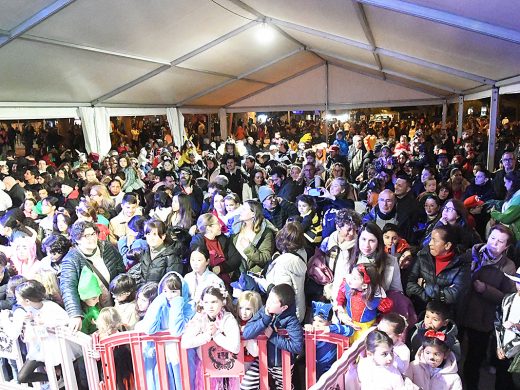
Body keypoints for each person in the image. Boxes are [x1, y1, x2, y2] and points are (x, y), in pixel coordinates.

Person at [460, 224, 516, 389]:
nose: (494, 243)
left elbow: (509, 299)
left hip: (483, 319)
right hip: (461, 312)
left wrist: (486, 289)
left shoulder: (508, 266)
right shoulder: (472, 253)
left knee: (474, 360)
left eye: (500, 242)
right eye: (492, 238)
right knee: (454, 353)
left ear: (506, 246)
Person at [0, 280, 70, 386]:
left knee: (68, 372)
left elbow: (66, 320)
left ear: (27, 300)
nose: (17, 301)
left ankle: (61, 379)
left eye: (19, 298)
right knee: (22, 376)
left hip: (55, 346)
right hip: (39, 348)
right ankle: (55, 378)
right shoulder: (26, 311)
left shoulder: (50, 306)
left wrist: (46, 323)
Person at [60, 221, 125, 331]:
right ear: (77, 239)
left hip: (114, 302)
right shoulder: (71, 259)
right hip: (93, 307)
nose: (92, 238)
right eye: (86, 236)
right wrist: (75, 314)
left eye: (93, 234)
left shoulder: (107, 247)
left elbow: (120, 269)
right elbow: (67, 287)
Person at [137, 272, 194, 390]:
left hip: (182, 357)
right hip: (161, 356)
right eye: (165, 291)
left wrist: (178, 303)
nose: (170, 295)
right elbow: (149, 329)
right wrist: (159, 301)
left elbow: (176, 330)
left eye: (174, 291)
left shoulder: (189, 307)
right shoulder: (161, 305)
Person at [241, 284, 304, 390]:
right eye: (269, 298)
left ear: (283, 308)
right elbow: (247, 332)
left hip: (282, 364)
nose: (269, 303)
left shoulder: (291, 320)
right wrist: (264, 319)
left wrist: (273, 336)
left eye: (273, 302)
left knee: (284, 387)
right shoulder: (265, 310)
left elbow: (297, 346)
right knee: (246, 385)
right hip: (262, 359)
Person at [182, 285, 241, 390]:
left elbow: (235, 347)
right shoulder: (200, 317)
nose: (210, 306)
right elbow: (185, 342)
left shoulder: (228, 318)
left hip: (227, 366)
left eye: (214, 302)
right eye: (206, 302)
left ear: (222, 302)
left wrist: (216, 334)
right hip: (206, 366)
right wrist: (206, 335)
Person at [407, 224, 470, 317]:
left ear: (447, 245)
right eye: (431, 239)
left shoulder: (462, 265)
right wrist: (429, 299)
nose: (430, 243)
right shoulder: (423, 256)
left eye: (435, 240)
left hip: (445, 316)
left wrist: (425, 285)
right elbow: (410, 283)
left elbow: (455, 295)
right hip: (420, 311)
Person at [256, 222, 308, 322]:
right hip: (299, 309)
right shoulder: (302, 253)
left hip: (285, 316)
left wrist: (262, 282)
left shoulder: (283, 263)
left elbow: (280, 295)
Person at [336, 264, 392, 342]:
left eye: (354, 278)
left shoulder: (376, 296)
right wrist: (340, 306)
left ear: (364, 285)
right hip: (348, 322)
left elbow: (385, 312)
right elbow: (341, 294)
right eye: (351, 274)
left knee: (361, 349)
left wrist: (378, 323)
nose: (350, 278)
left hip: (366, 328)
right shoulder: (347, 285)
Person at [348, 222, 403, 293]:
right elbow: (339, 287)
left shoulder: (391, 260)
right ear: (358, 239)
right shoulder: (347, 255)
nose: (366, 245)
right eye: (363, 239)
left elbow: (397, 291)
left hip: (381, 301)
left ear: (378, 243)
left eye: (372, 241)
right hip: (351, 301)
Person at [304, 301, 354, 379]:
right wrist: (306, 328)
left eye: (320, 321)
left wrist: (331, 329)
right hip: (314, 371)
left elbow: (350, 331)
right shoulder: (311, 330)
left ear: (329, 323)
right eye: (314, 320)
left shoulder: (332, 329)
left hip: (331, 371)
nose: (316, 324)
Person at [190, 213, 241, 285]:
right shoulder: (197, 242)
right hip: (207, 281)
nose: (220, 225)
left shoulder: (223, 239)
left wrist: (221, 268)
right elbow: (200, 264)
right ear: (209, 228)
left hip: (227, 279)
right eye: (217, 223)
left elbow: (236, 258)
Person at [136, 219, 186, 285]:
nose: (151, 238)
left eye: (154, 234)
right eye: (148, 234)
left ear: (163, 236)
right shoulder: (145, 252)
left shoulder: (171, 257)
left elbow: (172, 284)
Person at [232, 200, 275, 273]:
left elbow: (265, 259)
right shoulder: (236, 230)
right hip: (238, 276)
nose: (240, 211)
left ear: (253, 214)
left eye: (244, 209)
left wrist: (248, 248)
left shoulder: (265, 233)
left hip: (254, 276)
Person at [491, 171, 520, 243]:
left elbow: (506, 218)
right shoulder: (515, 195)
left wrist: (493, 212)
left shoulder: (518, 198)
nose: (504, 185)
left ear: (512, 182)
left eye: (506, 182)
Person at [237, 291, 262, 372]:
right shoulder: (234, 321)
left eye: (248, 309)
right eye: (240, 308)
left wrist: (247, 337)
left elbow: (255, 352)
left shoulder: (256, 324)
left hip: (250, 362)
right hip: (235, 361)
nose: (243, 312)